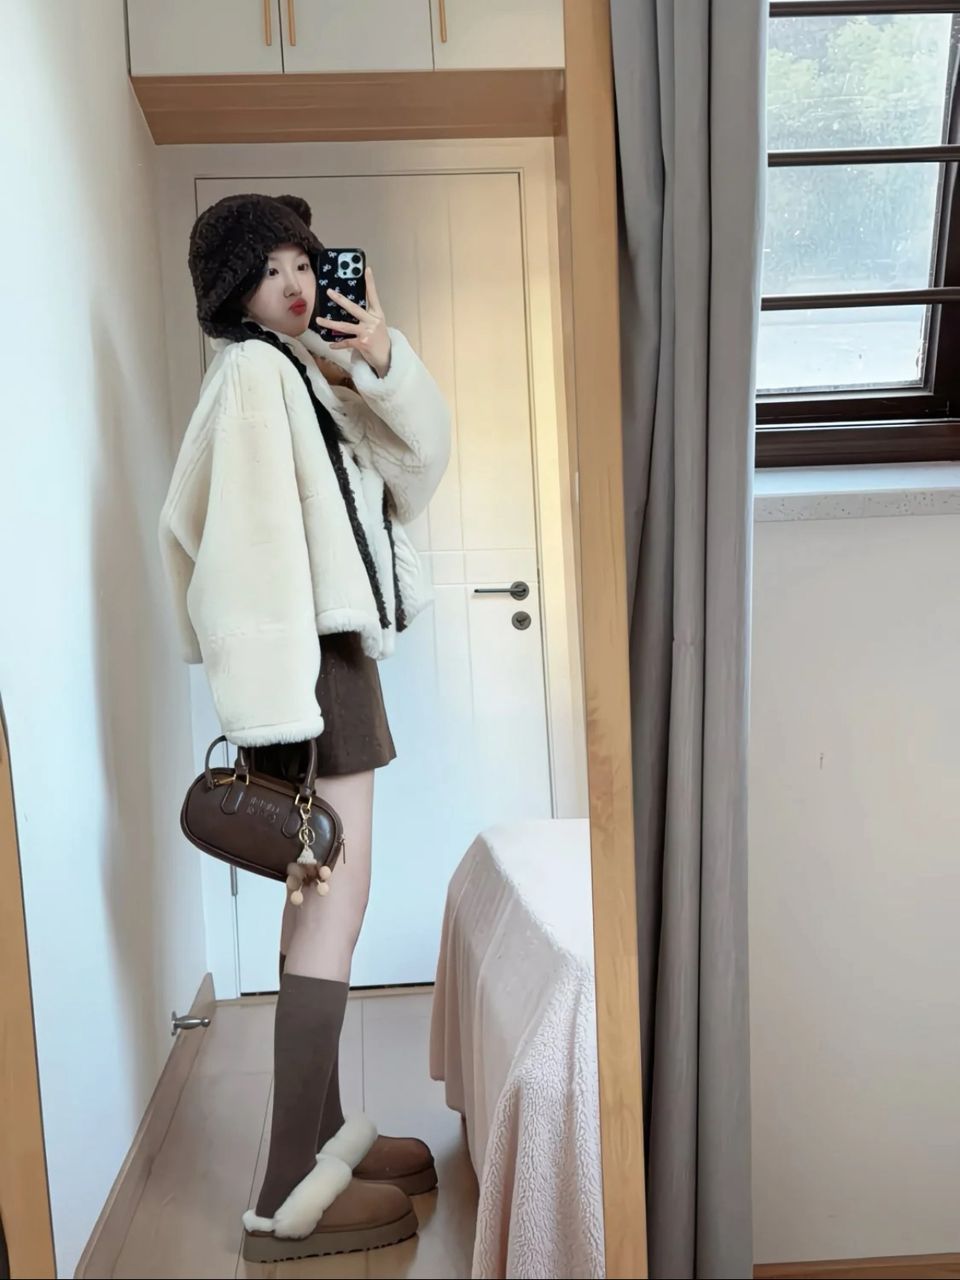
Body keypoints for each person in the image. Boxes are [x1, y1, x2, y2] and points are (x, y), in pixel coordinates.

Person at [158, 193, 451, 1263]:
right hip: (304, 669)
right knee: (337, 898)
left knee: (317, 897)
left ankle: (323, 1137)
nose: (293, 283)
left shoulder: (303, 374)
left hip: (330, 661)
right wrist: (275, 708)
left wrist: (376, 359)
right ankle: (286, 1192)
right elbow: (240, 549)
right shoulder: (251, 376)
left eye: (303, 263)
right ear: (232, 290)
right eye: (269, 268)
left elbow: (416, 473)